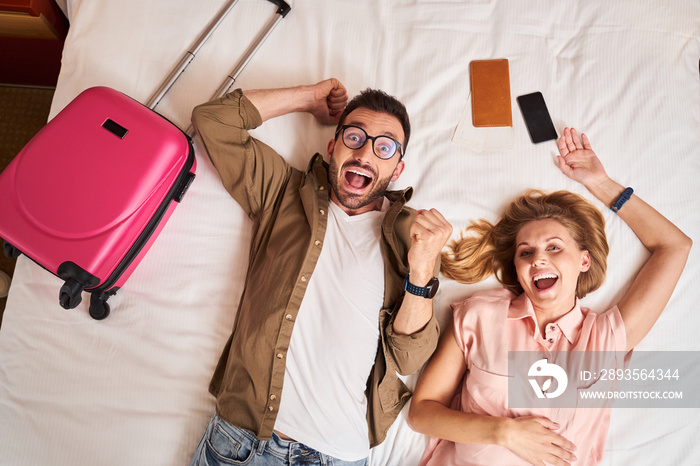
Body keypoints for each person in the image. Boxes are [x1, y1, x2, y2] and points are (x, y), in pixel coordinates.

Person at [188, 78, 453, 466]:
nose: (365, 152)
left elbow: (409, 358)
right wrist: (308, 99)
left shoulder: (413, 237)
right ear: (332, 147)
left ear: (397, 169)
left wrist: (420, 271)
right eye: (354, 137)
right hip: (242, 443)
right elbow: (213, 121)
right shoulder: (282, 192)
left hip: (339, 455)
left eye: (383, 147)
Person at [408, 128, 692, 466]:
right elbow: (422, 413)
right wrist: (504, 432)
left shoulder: (603, 339)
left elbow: (675, 247)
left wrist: (600, 183)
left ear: (584, 260)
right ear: (517, 269)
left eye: (554, 248)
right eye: (526, 253)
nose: (538, 259)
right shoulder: (481, 316)